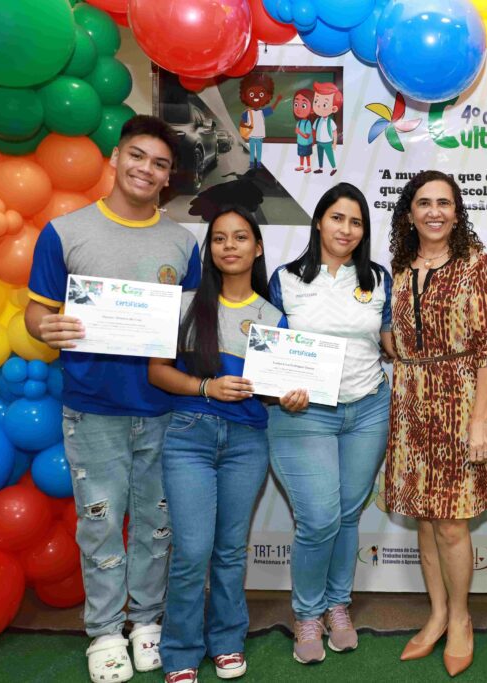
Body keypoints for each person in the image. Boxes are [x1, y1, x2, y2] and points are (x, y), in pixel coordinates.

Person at [24, 115, 202, 683]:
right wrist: (44, 328)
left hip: (163, 409)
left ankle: (147, 622)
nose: (146, 170)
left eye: (159, 164)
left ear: (168, 178)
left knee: (157, 525)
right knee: (100, 524)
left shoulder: (181, 240)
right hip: (92, 406)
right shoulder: (66, 232)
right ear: (116, 158)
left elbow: (192, 326)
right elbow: (37, 310)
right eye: (138, 156)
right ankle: (103, 631)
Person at [148, 207, 298, 683]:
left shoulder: (274, 316)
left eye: (240, 237)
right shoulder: (187, 304)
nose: (229, 246)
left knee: (231, 550)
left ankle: (228, 640)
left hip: (247, 442)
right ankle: (180, 651)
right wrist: (205, 388)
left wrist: (292, 396)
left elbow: (275, 389)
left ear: (257, 248)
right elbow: (157, 371)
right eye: (218, 239)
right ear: (209, 249)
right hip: (189, 437)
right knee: (193, 550)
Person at [266, 183, 394, 664]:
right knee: (318, 519)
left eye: (356, 221)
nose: (346, 229)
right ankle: (307, 613)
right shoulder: (284, 278)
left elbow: (389, 344)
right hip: (303, 413)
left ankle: (338, 607)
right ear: (319, 221)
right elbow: (271, 349)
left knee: (345, 514)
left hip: (367, 409)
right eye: (337, 218)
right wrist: (280, 389)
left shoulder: (378, 279)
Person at [384, 170, 487, 678]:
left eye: (445, 203)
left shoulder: (476, 263)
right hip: (410, 400)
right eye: (424, 202)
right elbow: (396, 333)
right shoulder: (399, 267)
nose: (434, 211)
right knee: (425, 518)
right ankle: (435, 616)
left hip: (460, 399)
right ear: (409, 213)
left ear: (457, 212)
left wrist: (480, 419)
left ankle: (461, 620)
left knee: (452, 521)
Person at [239, 72, 283, 169]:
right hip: (251, 136)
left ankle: (258, 163)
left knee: (259, 150)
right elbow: (242, 123)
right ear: (244, 96)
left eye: (261, 94)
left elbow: (272, 109)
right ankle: (251, 163)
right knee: (252, 150)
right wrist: (248, 127)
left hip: (259, 136)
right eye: (251, 94)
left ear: (268, 97)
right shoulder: (247, 113)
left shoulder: (262, 112)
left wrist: (278, 100)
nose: (256, 97)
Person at [311, 82, 342, 175]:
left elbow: (335, 132)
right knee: (320, 155)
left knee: (330, 155)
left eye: (324, 104)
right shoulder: (317, 120)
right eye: (316, 102)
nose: (318, 106)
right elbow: (314, 130)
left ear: (333, 109)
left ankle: (334, 167)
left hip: (328, 142)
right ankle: (320, 168)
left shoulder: (330, 122)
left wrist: (334, 143)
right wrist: (313, 142)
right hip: (319, 141)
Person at [293, 88, 314, 173]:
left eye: (303, 106)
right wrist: (297, 132)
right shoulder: (299, 122)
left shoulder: (308, 123)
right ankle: (301, 166)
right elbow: (296, 131)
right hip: (300, 142)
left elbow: (307, 135)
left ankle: (308, 167)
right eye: (296, 104)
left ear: (312, 110)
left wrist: (299, 132)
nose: (298, 108)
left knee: (307, 155)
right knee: (301, 155)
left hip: (306, 143)